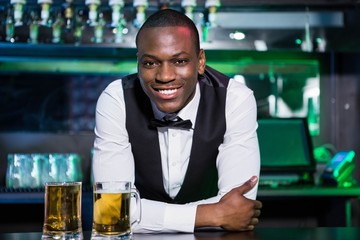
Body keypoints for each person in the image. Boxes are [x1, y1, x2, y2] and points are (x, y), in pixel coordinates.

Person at [92, 8, 262, 233]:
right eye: (151, 63)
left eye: (180, 61)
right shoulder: (116, 99)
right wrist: (212, 213)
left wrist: (140, 213)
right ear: (138, 63)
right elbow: (111, 211)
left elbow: (239, 208)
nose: (165, 76)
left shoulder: (234, 99)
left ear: (200, 61)